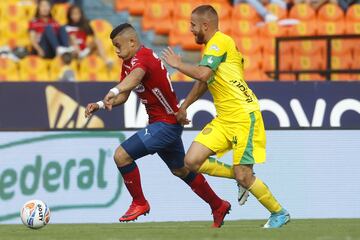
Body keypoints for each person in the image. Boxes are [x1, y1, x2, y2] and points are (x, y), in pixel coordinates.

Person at [85, 23, 231, 228]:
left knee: (121, 155)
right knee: (180, 170)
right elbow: (124, 96)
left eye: (118, 46)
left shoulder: (142, 57)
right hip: (163, 123)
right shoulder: (128, 62)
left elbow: (135, 77)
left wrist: (115, 90)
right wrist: (101, 104)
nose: (116, 51)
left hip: (166, 124)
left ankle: (139, 202)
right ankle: (218, 205)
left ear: (132, 42)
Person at [161, 5, 290, 228]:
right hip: (224, 118)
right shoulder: (212, 48)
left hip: (243, 115)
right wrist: (185, 106)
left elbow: (203, 74)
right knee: (191, 161)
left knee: (244, 175)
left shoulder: (220, 41)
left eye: (193, 25)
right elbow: (204, 81)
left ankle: (279, 212)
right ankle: (243, 179)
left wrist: (179, 64)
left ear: (205, 25)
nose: (190, 29)